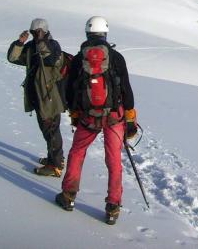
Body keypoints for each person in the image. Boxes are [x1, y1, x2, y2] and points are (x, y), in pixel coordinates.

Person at [55, 16, 137, 225]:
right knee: (114, 161)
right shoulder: (116, 57)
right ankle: (113, 207)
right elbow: (126, 89)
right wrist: (130, 117)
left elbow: (71, 90)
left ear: (87, 33)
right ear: (105, 33)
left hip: (88, 117)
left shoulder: (78, 60)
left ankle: (68, 196)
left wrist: (75, 114)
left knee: (77, 152)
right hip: (114, 117)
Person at [7, 18, 65, 176]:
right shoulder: (32, 46)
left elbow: (50, 60)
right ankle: (55, 158)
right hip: (37, 95)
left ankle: (55, 165)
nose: (35, 35)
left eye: (37, 32)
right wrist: (19, 43)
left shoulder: (53, 45)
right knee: (47, 128)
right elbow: (13, 58)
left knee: (51, 128)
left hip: (49, 96)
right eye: (33, 32)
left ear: (45, 31)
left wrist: (40, 41)